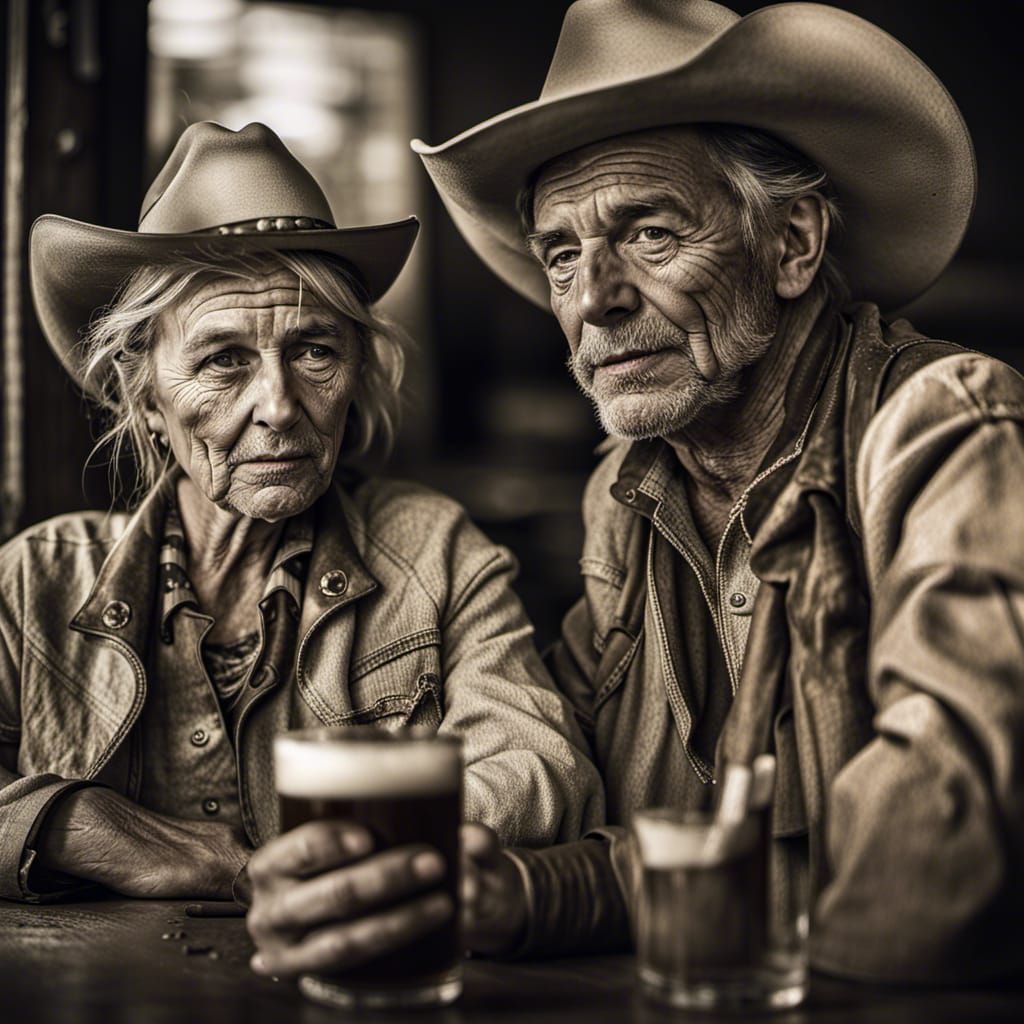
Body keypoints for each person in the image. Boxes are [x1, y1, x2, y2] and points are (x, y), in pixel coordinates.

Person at [249, 0, 1024, 983]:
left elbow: (925, 875)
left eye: (648, 233)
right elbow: (609, 805)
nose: (591, 300)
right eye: (560, 253)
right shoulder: (626, 493)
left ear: (792, 245)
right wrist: (489, 884)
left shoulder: (945, 427)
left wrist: (561, 891)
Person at [0, 122, 603, 921]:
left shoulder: (434, 549)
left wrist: (318, 861)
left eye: (315, 350)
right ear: (146, 399)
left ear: (355, 372)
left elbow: (541, 770)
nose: (279, 407)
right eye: (224, 360)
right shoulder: (38, 580)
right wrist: (89, 826)